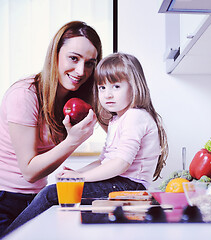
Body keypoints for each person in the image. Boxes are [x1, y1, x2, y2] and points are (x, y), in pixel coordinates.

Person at [3, 52, 168, 235]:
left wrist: (80, 179)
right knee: (57, 193)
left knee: (52, 193)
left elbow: (120, 164)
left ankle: (11, 236)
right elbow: (104, 161)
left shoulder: (135, 117)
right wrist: (77, 173)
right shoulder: (118, 120)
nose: (108, 94)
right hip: (121, 183)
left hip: (130, 187)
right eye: (102, 88)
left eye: (116, 86)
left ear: (135, 86)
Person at [0, 21, 102, 237]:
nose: (81, 70)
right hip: (5, 200)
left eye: (90, 63)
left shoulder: (75, 99)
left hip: (34, 198)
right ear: (55, 54)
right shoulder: (25, 94)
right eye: (73, 58)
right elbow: (29, 171)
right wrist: (73, 140)